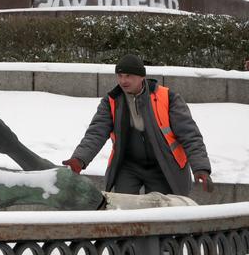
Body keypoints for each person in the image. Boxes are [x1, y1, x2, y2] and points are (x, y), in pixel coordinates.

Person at [63, 54, 213, 196]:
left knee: (158, 211)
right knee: (122, 208)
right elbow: (96, 133)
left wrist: (200, 167)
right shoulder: (111, 101)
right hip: (128, 166)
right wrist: (79, 159)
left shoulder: (168, 98)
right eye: (120, 76)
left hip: (162, 166)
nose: (123, 81)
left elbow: (190, 135)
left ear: (142, 76)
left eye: (129, 76)